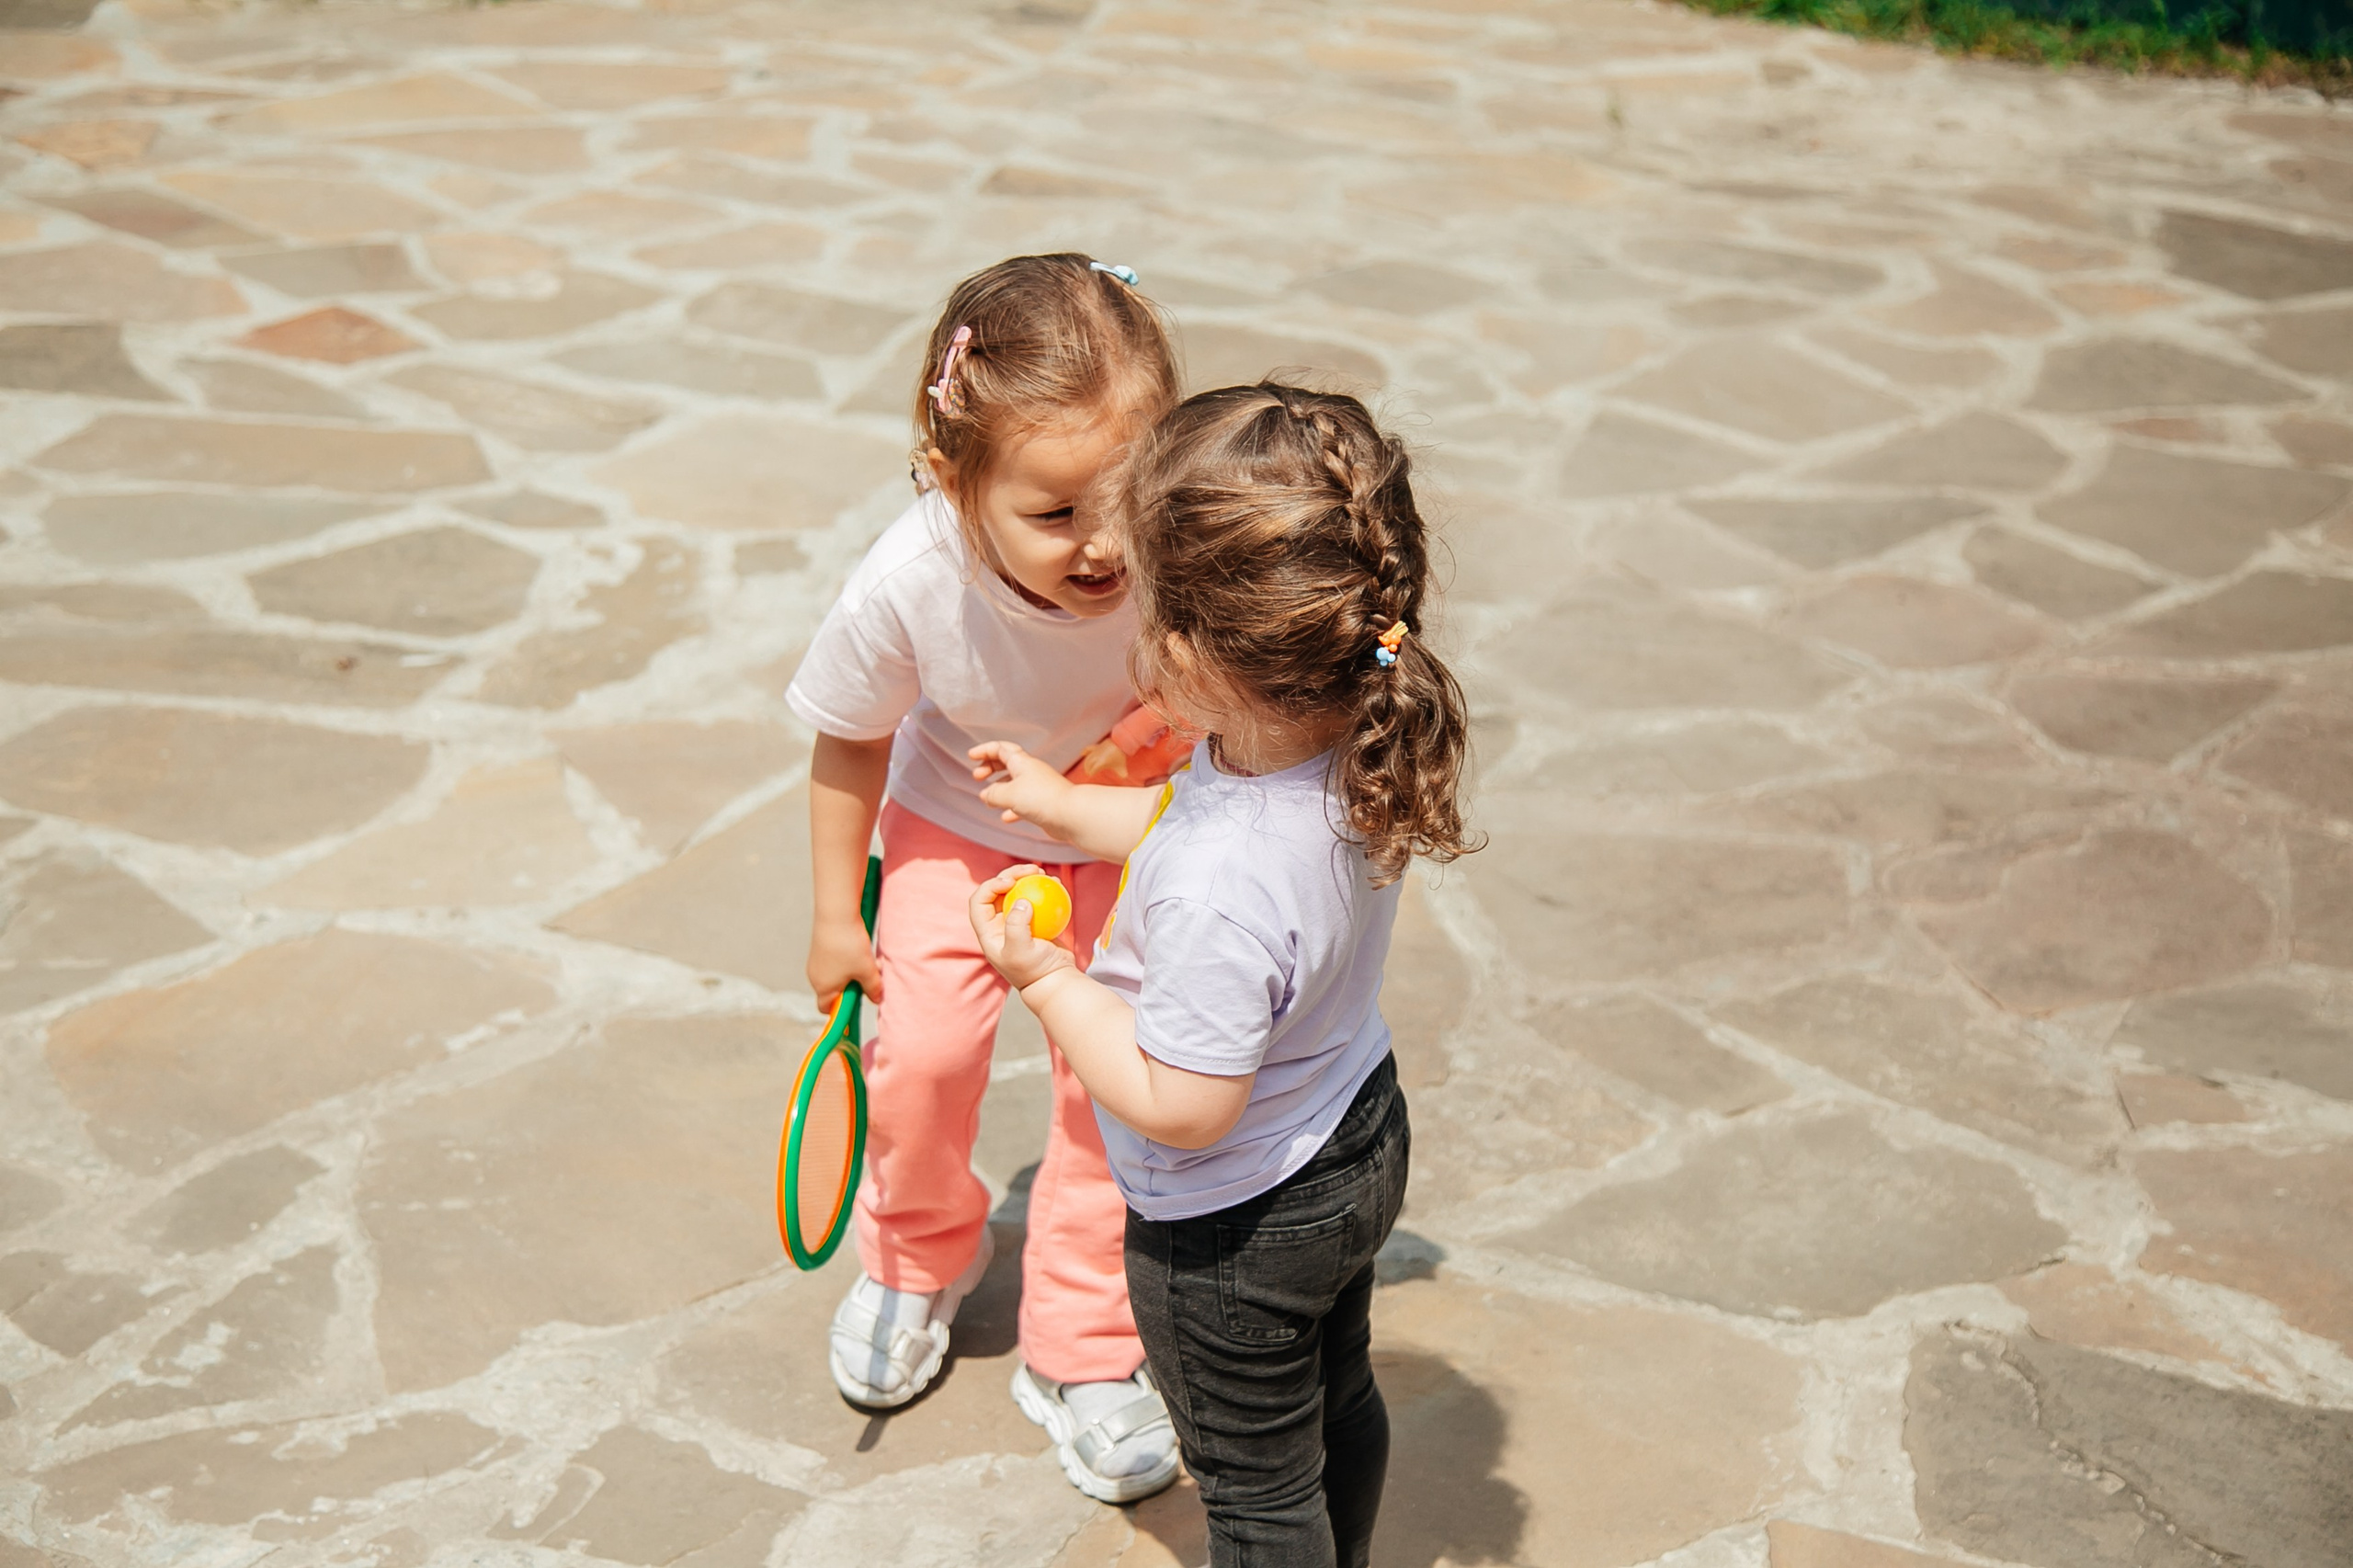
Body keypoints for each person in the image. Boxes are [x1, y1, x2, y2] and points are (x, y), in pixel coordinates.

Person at [965, 383, 1477, 1568]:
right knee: (1335, 1396)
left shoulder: (1215, 891)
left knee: (1253, 1492)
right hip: (1356, 1137)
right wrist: (1063, 805)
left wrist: (1048, 978)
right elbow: (1193, 818)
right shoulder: (1348, 730)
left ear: (1190, 648)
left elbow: (1185, 1107)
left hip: (1234, 1225)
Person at [783, 253, 1184, 1502]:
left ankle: (1081, 1341)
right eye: (1058, 514)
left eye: (1133, 497)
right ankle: (917, 1252)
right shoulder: (910, 580)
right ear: (954, 483)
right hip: (957, 830)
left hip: (1122, 836)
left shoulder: (1179, 549)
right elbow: (849, 740)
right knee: (926, 1060)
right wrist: (832, 915)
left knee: (1109, 1092)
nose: (1106, 543)